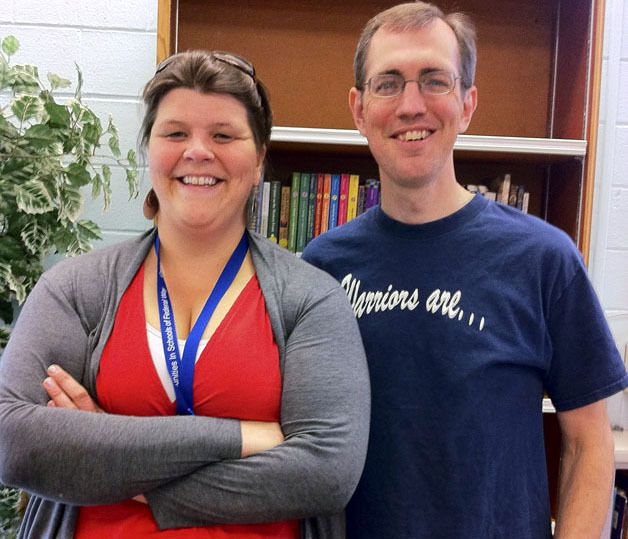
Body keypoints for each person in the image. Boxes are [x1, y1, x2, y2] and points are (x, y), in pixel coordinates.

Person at [0, 49, 370, 538]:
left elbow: (325, 473)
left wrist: (114, 463)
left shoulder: (309, 298)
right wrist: (243, 437)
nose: (198, 151)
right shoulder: (76, 288)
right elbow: (14, 443)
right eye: (175, 133)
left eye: (223, 135)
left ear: (259, 157)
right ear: (148, 149)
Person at [302, 3, 628, 538]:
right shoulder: (321, 268)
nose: (411, 105)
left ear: (467, 103)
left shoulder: (544, 260)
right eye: (388, 84)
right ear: (359, 110)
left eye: (435, 80)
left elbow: (589, 442)